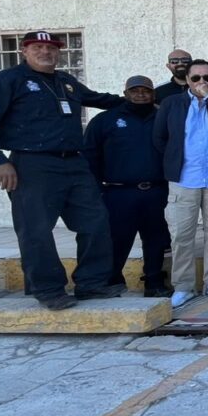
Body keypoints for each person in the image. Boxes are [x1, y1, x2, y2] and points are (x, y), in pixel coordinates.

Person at [0, 30, 125, 310]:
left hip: (74, 163)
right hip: (31, 165)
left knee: (96, 222)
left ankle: (91, 284)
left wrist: (144, 100)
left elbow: (99, 100)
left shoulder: (65, 82)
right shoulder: (8, 81)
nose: (45, 52)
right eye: (37, 47)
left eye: (51, 48)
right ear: (24, 51)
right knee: (36, 230)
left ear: (59, 52)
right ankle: (49, 289)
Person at [154, 59, 208, 307]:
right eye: (196, 78)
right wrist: (173, 162)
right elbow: (159, 138)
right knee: (182, 234)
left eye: (207, 78)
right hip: (184, 179)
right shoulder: (172, 104)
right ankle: (183, 286)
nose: (202, 82)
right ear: (187, 80)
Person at [83, 75, 172, 297]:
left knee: (156, 239)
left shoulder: (164, 117)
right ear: (125, 94)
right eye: (135, 91)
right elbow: (89, 156)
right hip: (118, 192)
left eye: (146, 91)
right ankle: (111, 280)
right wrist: (95, 189)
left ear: (153, 94)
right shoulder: (106, 120)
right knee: (117, 240)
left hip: (157, 190)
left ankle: (154, 282)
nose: (140, 95)